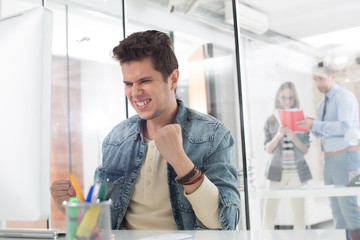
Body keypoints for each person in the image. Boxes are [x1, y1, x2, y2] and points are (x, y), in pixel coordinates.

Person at [50, 30, 241, 230]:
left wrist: (181, 162)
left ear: (173, 79)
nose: (135, 92)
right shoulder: (116, 139)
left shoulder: (213, 136)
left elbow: (225, 221)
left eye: (145, 81)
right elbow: (102, 225)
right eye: (128, 84)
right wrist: (73, 208)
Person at [298, 62, 360, 240]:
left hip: (348, 158)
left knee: (349, 209)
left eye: (321, 78)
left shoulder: (344, 97)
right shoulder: (321, 105)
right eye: (315, 79)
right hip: (330, 161)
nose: (318, 84)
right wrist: (310, 126)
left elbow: (346, 127)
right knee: (336, 211)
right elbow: (326, 133)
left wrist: (316, 124)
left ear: (333, 76)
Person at [262, 82, 312, 230]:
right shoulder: (271, 120)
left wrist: (293, 137)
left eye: (290, 98)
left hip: (297, 171)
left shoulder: (301, 120)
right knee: (269, 213)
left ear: (295, 99)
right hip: (276, 171)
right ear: (278, 98)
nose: (287, 101)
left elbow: (305, 150)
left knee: (299, 214)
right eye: (284, 98)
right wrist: (278, 135)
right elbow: (268, 149)